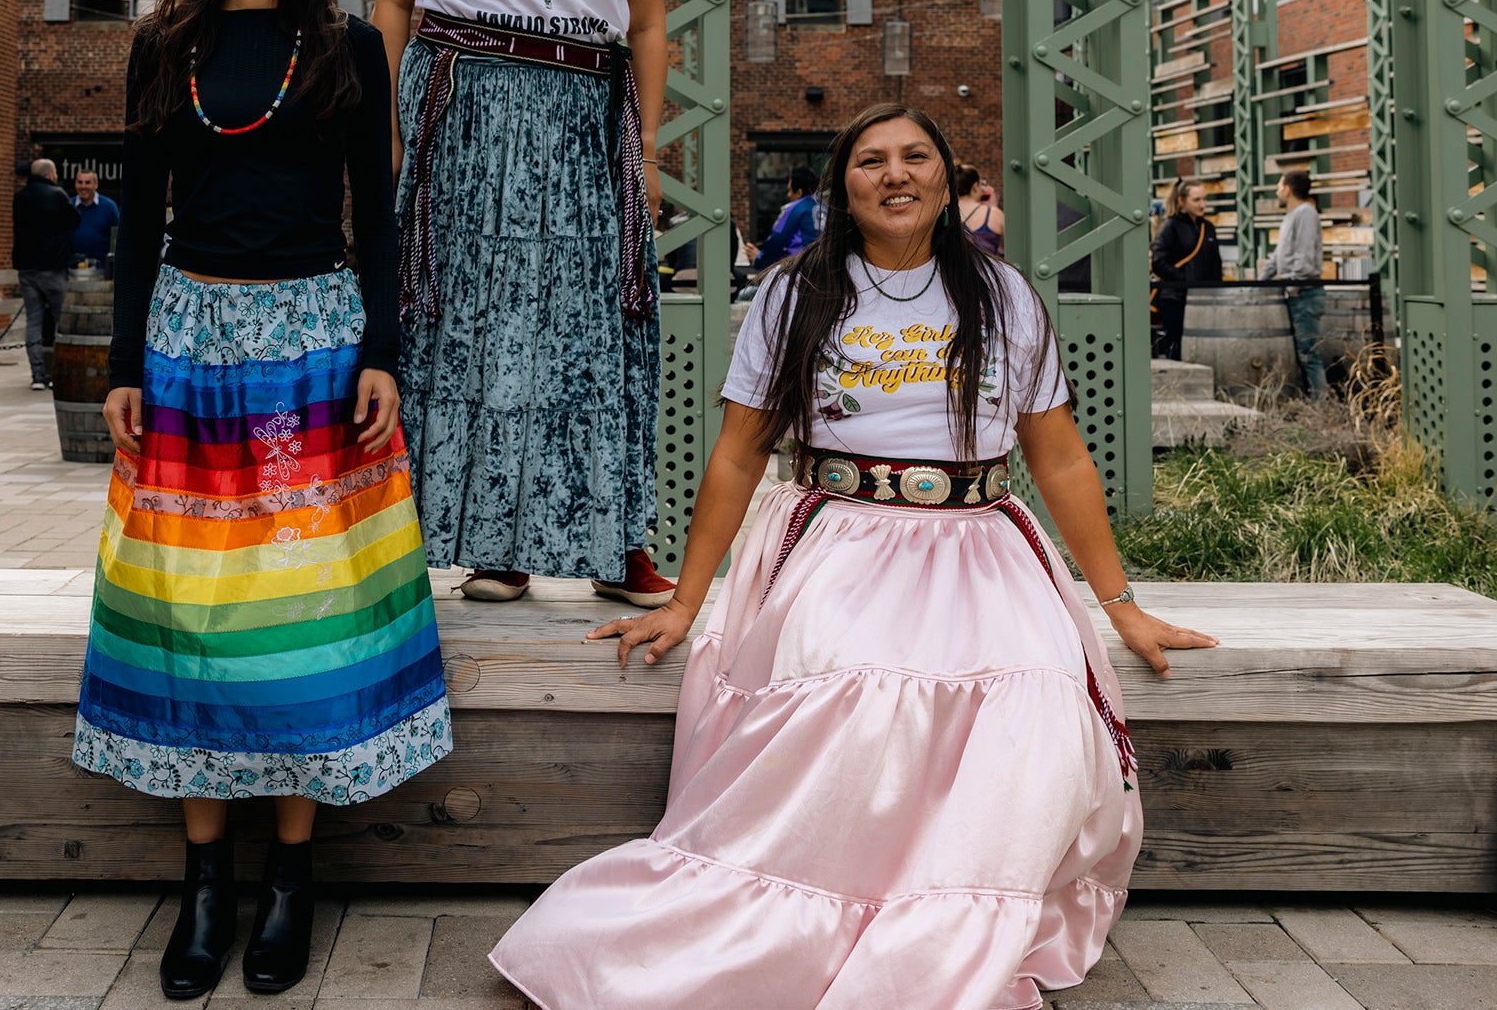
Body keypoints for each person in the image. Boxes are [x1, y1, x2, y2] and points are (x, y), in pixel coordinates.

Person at [489, 104, 1216, 1008]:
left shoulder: (1004, 295)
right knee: (851, 684)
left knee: (1036, 702)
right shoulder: (796, 293)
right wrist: (686, 600)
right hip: (839, 537)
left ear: (949, 181)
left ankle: (935, 932)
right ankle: (793, 926)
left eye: (916, 157)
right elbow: (736, 454)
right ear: (844, 188)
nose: (895, 174)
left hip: (980, 548)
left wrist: (1121, 605)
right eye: (870, 161)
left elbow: (1059, 458)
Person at [74, 0, 452, 1001]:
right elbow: (140, 218)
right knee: (188, 607)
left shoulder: (347, 45)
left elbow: (378, 213)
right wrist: (123, 364)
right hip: (188, 348)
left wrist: (383, 350)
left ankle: (290, 877)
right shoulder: (164, 44)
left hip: (313, 352)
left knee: (302, 614)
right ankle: (204, 886)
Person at [371, 0, 675, 608]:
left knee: (595, 325)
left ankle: (615, 541)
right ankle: (489, 542)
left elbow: (650, 25)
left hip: (586, 114)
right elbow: (391, 0)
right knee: (474, 324)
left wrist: (649, 149)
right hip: (465, 104)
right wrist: (385, 128)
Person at [12, 158, 79, 389]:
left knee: (33, 321)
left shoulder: (20, 197)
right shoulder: (57, 194)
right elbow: (74, 220)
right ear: (51, 175)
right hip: (53, 268)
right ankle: (60, 374)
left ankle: (37, 376)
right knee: (62, 322)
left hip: (27, 268)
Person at [1264, 168, 1328, 397]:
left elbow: (1304, 254)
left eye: (1279, 186)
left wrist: (1292, 287)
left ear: (1288, 190)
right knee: (1302, 350)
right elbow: (1280, 254)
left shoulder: (1306, 214)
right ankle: (1312, 398)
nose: (1276, 190)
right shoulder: (1292, 215)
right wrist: (1261, 281)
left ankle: (1320, 402)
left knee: (1309, 351)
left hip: (1304, 293)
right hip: (1297, 292)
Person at [1150, 178, 1222, 360]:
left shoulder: (1208, 227)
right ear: (1182, 200)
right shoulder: (1170, 226)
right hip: (1175, 298)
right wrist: (1184, 279)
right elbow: (1158, 261)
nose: (1202, 204)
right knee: (1176, 345)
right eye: (1197, 200)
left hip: (1204, 297)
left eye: (1204, 199)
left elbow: (1215, 263)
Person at [749, 165, 822, 270]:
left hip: (800, 268)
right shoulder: (825, 207)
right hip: (823, 269)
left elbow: (776, 240)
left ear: (799, 192)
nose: (788, 195)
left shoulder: (795, 208)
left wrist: (759, 259)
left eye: (790, 190)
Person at [68, 169, 120, 273]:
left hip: (101, 270)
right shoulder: (68, 206)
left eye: (87, 182)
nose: (83, 186)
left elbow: (118, 237)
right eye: (80, 182)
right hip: (72, 270)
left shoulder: (109, 207)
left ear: (96, 185)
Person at [955, 162, 1003, 254]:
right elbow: (1008, 249)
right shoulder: (993, 214)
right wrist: (994, 207)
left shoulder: (944, 212)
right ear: (975, 186)